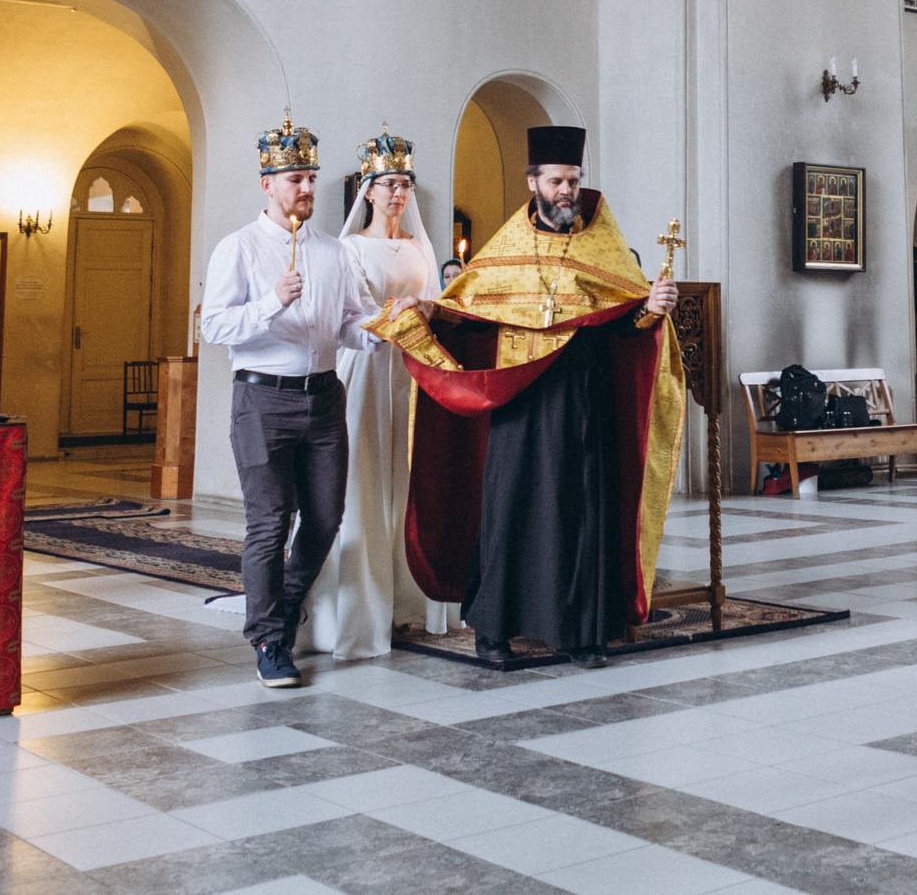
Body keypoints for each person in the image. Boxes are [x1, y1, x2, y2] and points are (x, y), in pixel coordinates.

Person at [370, 125, 683, 670]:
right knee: (508, 509)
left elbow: (625, 324)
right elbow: (467, 310)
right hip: (517, 401)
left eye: (575, 180)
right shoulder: (507, 247)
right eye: (558, 181)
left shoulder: (603, 245)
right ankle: (494, 629)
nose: (568, 191)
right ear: (533, 182)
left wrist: (651, 307)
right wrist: (428, 313)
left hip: (583, 401)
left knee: (582, 513)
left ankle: (583, 633)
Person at [201, 116, 389, 688]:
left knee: (326, 518)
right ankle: (268, 639)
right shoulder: (237, 249)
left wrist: (383, 330)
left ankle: (280, 607)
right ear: (267, 184)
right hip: (262, 399)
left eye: (310, 176)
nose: (306, 188)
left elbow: (352, 323)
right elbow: (212, 326)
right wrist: (270, 303)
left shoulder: (333, 253)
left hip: (324, 396)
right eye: (293, 178)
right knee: (268, 523)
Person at [299, 129, 439, 657]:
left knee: (409, 477)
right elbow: (355, 310)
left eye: (405, 184)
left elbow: (432, 300)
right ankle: (356, 609)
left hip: (413, 372)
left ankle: (411, 598)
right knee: (365, 475)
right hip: (369, 366)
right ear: (369, 190)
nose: (399, 193)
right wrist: (396, 315)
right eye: (389, 184)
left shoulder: (420, 246)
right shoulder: (351, 247)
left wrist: (426, 310)